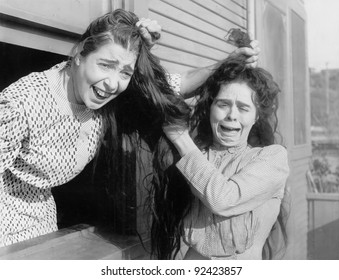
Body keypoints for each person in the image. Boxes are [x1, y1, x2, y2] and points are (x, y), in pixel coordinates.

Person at [0, 9, 259, 247]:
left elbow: (179, 86)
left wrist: (229, 61)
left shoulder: (105, 96)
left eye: (125, 72)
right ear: (79, 54)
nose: (113, 83)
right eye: (105, 65)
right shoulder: (21, 104)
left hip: (43, 224)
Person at [154, 55, 290, 260]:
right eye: (223, 104)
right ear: (210, 109)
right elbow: (155, 92)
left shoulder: (273, 158)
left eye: (243, 108)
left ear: (257, 116)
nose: (232, 115)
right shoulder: (197, 155)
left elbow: (224, 199)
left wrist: (181, 139)